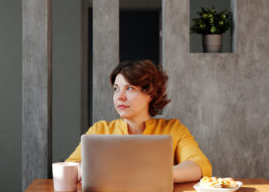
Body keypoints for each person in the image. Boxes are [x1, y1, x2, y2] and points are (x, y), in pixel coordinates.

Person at [65, 60, 212, 183]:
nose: (119, 97)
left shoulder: (173, 129)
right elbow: (69, 167)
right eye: (116, 89)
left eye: (129, 88)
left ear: (151, 94)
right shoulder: (99, 130)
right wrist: (85, 169)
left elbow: (200, 165)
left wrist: (152, 175)